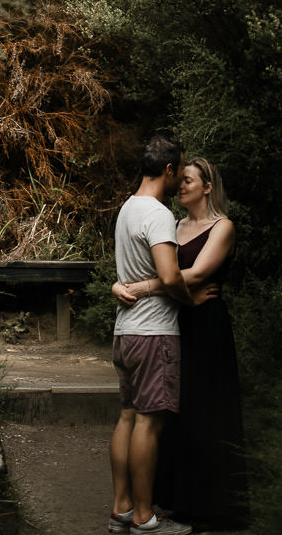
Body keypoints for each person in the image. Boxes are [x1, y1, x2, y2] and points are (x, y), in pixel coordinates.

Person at [113, 157, 248, 530]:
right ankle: (177, 499)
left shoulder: (222, 227)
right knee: (174, 414)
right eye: (182, 179)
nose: (182, 186)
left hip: (206, 324)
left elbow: (196, 274)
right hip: (173, 320)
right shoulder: (172, 225)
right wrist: (119, 284)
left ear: (208, 187)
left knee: (207, 412)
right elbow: (153, 268)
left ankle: (212, 506)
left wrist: (141, 288)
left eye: (190, 180)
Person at [107, 133, 196, 535]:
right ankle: (145, 518)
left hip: (125, 331)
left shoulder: (127, 208)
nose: (181, 178)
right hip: (153, 332)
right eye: (181, 169)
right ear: (169, 169)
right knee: (148, 423)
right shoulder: (158, 214)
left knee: (127, 417)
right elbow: (170, 276)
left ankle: (121, 509)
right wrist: (189, 301)